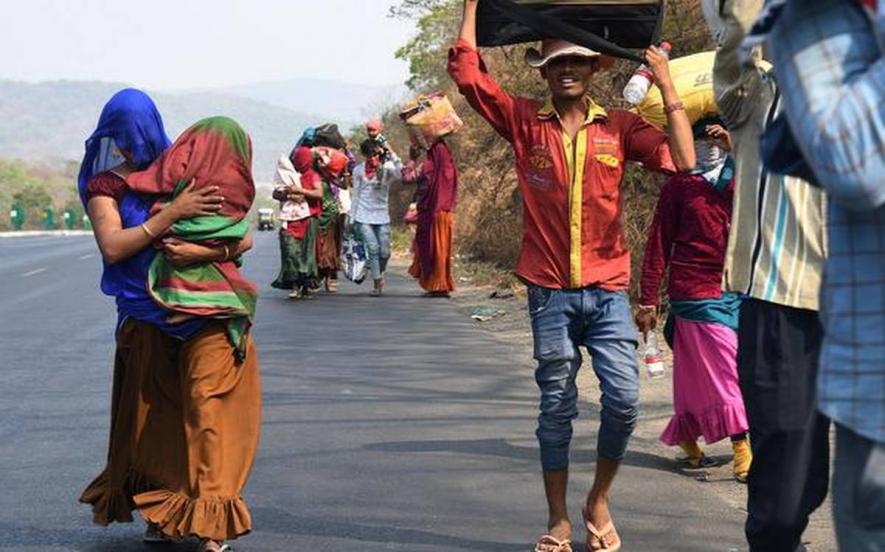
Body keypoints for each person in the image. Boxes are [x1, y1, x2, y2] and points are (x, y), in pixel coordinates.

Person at [449, 2, 696, 550]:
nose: (567, 69)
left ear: (595, 69)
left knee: (626, 401)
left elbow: (683, 163)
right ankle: (559, 519)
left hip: (608, 292)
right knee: (556, 405)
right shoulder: (521, 121)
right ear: (542, 70)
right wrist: (470, 5)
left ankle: (598, 500)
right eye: (557, 61)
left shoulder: (623, 128)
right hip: (549, 294)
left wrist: (666, 82)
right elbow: (467, 74)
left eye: (578, 60)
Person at [80, 95, 260, 552]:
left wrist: (205, 251)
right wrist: (171, 215)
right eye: (122, 135)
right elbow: (114, 249)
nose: (131, 143)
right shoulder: (108, 186)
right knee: (155, 422)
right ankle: (165, 513)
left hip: (204, 315)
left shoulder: (178, 171)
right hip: (144, 317)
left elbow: (238, 233)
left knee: (208, 412)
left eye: (137, 132)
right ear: (109, 137)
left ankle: (212, 523)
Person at [705, 1, 831, 549]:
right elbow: (736, 37)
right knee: (782, 490)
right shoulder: (756, 95)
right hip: (779, 303)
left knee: (816, 478)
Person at [762, 1, 885, 549]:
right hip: (781, 291)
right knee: (786, 493)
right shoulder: (754, 94)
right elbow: (854, 164)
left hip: (830, 304)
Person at [637, 119, 751, 482]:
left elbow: (771, 194)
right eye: (700, 138)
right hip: (695, 292)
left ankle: (687, 438)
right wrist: (647, 298)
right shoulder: (679, 187)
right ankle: (742, 446)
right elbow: (659, 243)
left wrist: (739, 149)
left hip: (741, 288)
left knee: (696, 373)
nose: (709, 145)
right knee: (725, 371)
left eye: (715, 138)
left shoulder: (742, 175)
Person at [402, 138, 458, 298]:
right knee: (441, 250)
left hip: (430, 214)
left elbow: (407, 179)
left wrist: (412, 159)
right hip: (445, 213)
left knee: (430, 248)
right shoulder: (450, 168)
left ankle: (435, 285)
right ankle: (440, 284)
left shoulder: (426, 167)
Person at [349, 138, 403, 296]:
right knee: (373, 249)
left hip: (382, 216)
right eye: (369, 156)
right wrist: (352, 219)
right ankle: (377, 282)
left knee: (385, 252)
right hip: (364, 216)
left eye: (375, 155)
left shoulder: (387, 169)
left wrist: (391, 152)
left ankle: (379, 271)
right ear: (365, 156)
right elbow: (356, 195)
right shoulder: (358, 171)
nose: (372, 159)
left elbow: (401, 173)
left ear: (379, 154)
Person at [271, 146, 323, 300]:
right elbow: (276, 193)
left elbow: (318, 193)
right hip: (290, 219)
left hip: (309, 219)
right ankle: (294, 285)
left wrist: (301, 191)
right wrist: (288, 194)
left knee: (307, 254)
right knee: (290, 252)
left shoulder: (312, 175)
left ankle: (305, 286)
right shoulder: (288, 175)